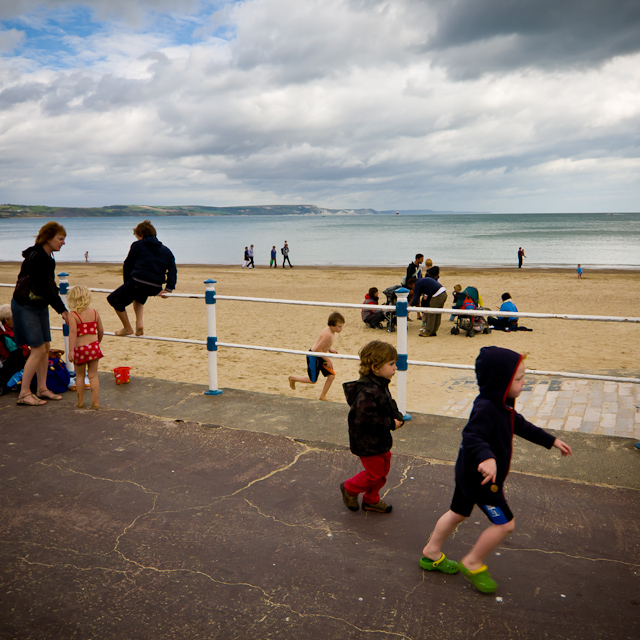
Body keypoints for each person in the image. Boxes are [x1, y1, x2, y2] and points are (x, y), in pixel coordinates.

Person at [419, 347, 572, 593]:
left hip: (467, 474)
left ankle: (431, 551)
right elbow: (472, 435)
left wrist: (550, 440)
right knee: (505, 525)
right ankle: (472, 562)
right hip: (483, 481)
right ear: (501, 382)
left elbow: (519, 424)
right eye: (519, 379)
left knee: (457, 512)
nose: (524, 383)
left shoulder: (502, 405)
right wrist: (487, 457)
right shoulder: (487, 407)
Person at [340, 340, 404, 514]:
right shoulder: (367, 391)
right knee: (374, 474)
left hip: (380, 440)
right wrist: (391, 423)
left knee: (382, 473)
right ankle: (349, 488)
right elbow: (366, 419)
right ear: (375, 367)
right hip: (366, 442)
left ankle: (371, 499)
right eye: (391, 364)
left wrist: (396, 414)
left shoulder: (380, 385)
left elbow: (389, 403)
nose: (395, 368)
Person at [11, 221, 70, 406]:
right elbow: (46, 287)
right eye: (60, 239)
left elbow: (49, 287)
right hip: (26, 306)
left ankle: (42, 388)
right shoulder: (37, 257)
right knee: (36, 350)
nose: (63, 243)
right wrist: (62, 310)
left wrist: (61, 309)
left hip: (39, 305)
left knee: (45, 348)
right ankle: (24, 393)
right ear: (48, 238)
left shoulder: (48, 258)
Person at [107, 220, 177, 337]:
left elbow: (128, 265)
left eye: (137, 236)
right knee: (138, 297)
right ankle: (139, 323)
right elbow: (172, 270)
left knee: (114, 300)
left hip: (137, 282)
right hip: (155, 287)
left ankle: (127, 327)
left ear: (141, 235)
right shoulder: (166, 250)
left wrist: (127, 284)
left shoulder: (137, 245)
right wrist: (169, 288)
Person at [289, 312, 344, 400]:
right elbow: (317, 349)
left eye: (341, 326)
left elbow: (324, 345)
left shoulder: (331, 331)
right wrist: (328, 359)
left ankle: (322, 396)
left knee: (331, 376)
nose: (341, 329)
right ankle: (293, 378)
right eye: (339, 326)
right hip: (313, 356)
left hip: (321, 355)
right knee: (312, 380)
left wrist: (330, 350)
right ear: (332, 325)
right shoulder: (328, 334)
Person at [67, 285, 104, 410]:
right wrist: (97, 342)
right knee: (93, 375)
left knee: (80, 376)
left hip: (80, 349)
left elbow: (72, 333)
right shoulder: (94, 313)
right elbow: (100, 330)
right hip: (93, 347)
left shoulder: (72, 315)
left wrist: (71, 351)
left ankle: (80, 402)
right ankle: (96, 402)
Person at [0, 304, 28, 394]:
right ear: (6, 320)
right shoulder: (7, 335)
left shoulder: (6, 332)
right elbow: (12, 355)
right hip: (12, 362)